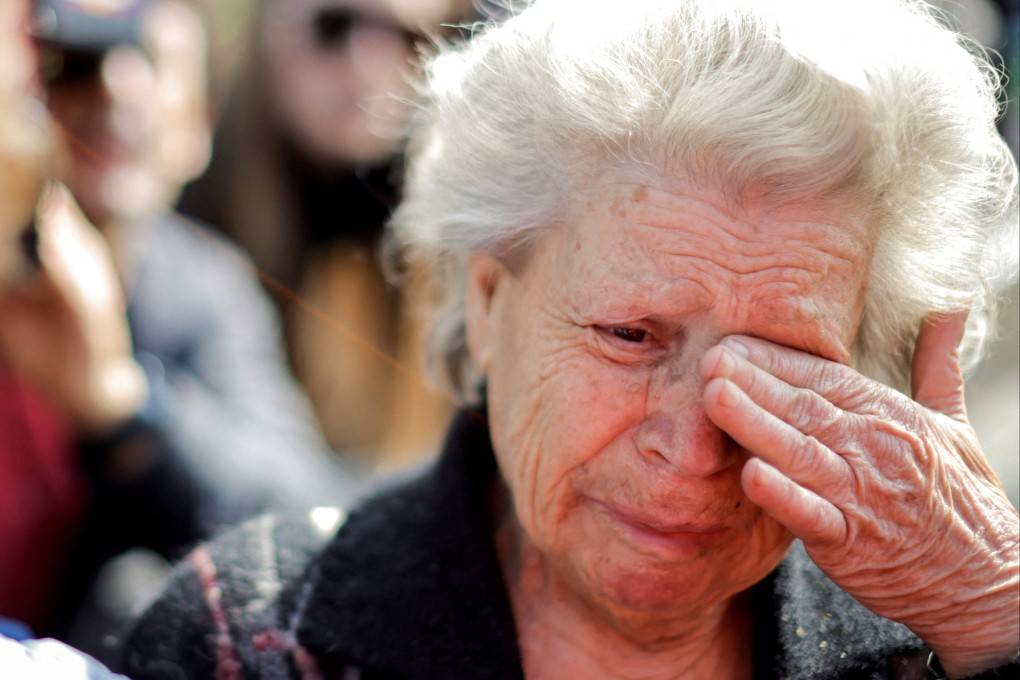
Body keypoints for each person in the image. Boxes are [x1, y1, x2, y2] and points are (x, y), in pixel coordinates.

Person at [120, 0, 1020, 678]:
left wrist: (995, 615)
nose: (694, 445)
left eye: (786, 366)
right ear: (485, 297)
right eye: (630, 336)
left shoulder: (940, 646)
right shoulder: (248, 640)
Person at [0, 0, 363, 648]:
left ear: (199, 127)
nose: (117, 90)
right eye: (80, 61)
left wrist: (122, 405)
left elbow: (302, 512)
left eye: (152, 63)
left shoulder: (200, 286)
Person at [178, 0, 473, 469]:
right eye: (332, 27)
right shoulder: (187, 225)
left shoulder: (462, 247)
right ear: (266, 32)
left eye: (409, 38)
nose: (367, 61)